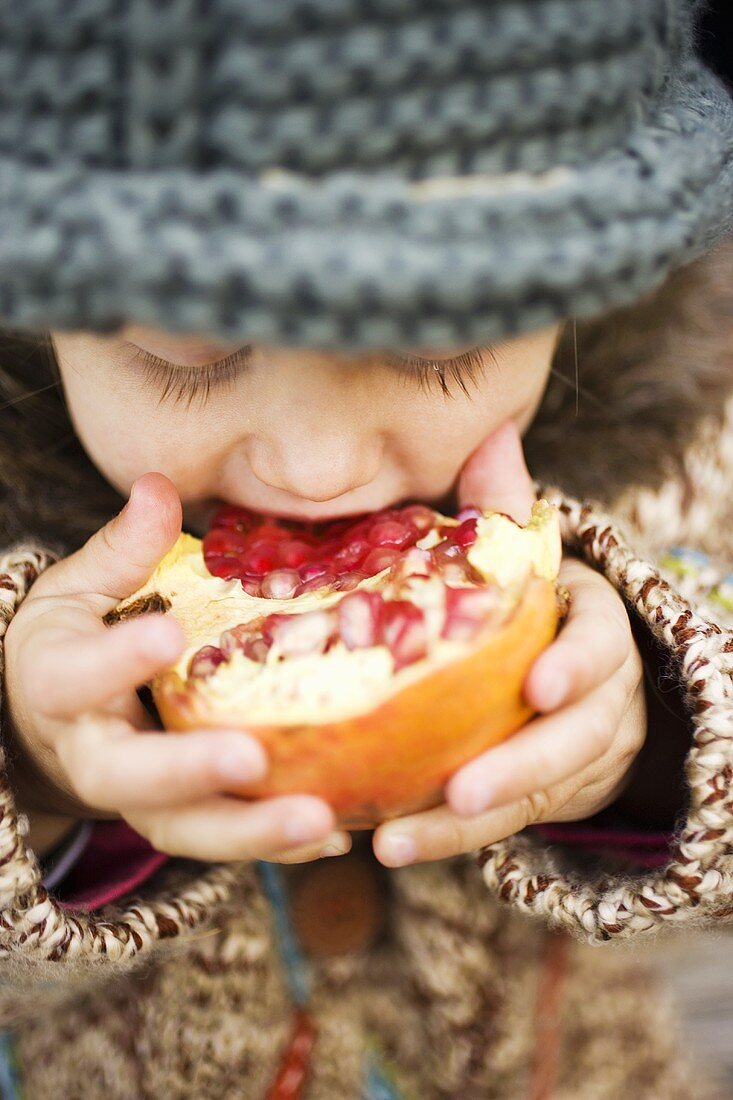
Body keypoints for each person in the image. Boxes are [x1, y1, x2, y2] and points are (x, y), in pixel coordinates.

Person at [0, 0, 731, 1096]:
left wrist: (653, 732)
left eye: (441, 337)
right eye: (186, 349)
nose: (317, 466)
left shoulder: (691, 448)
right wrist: (34, 765)